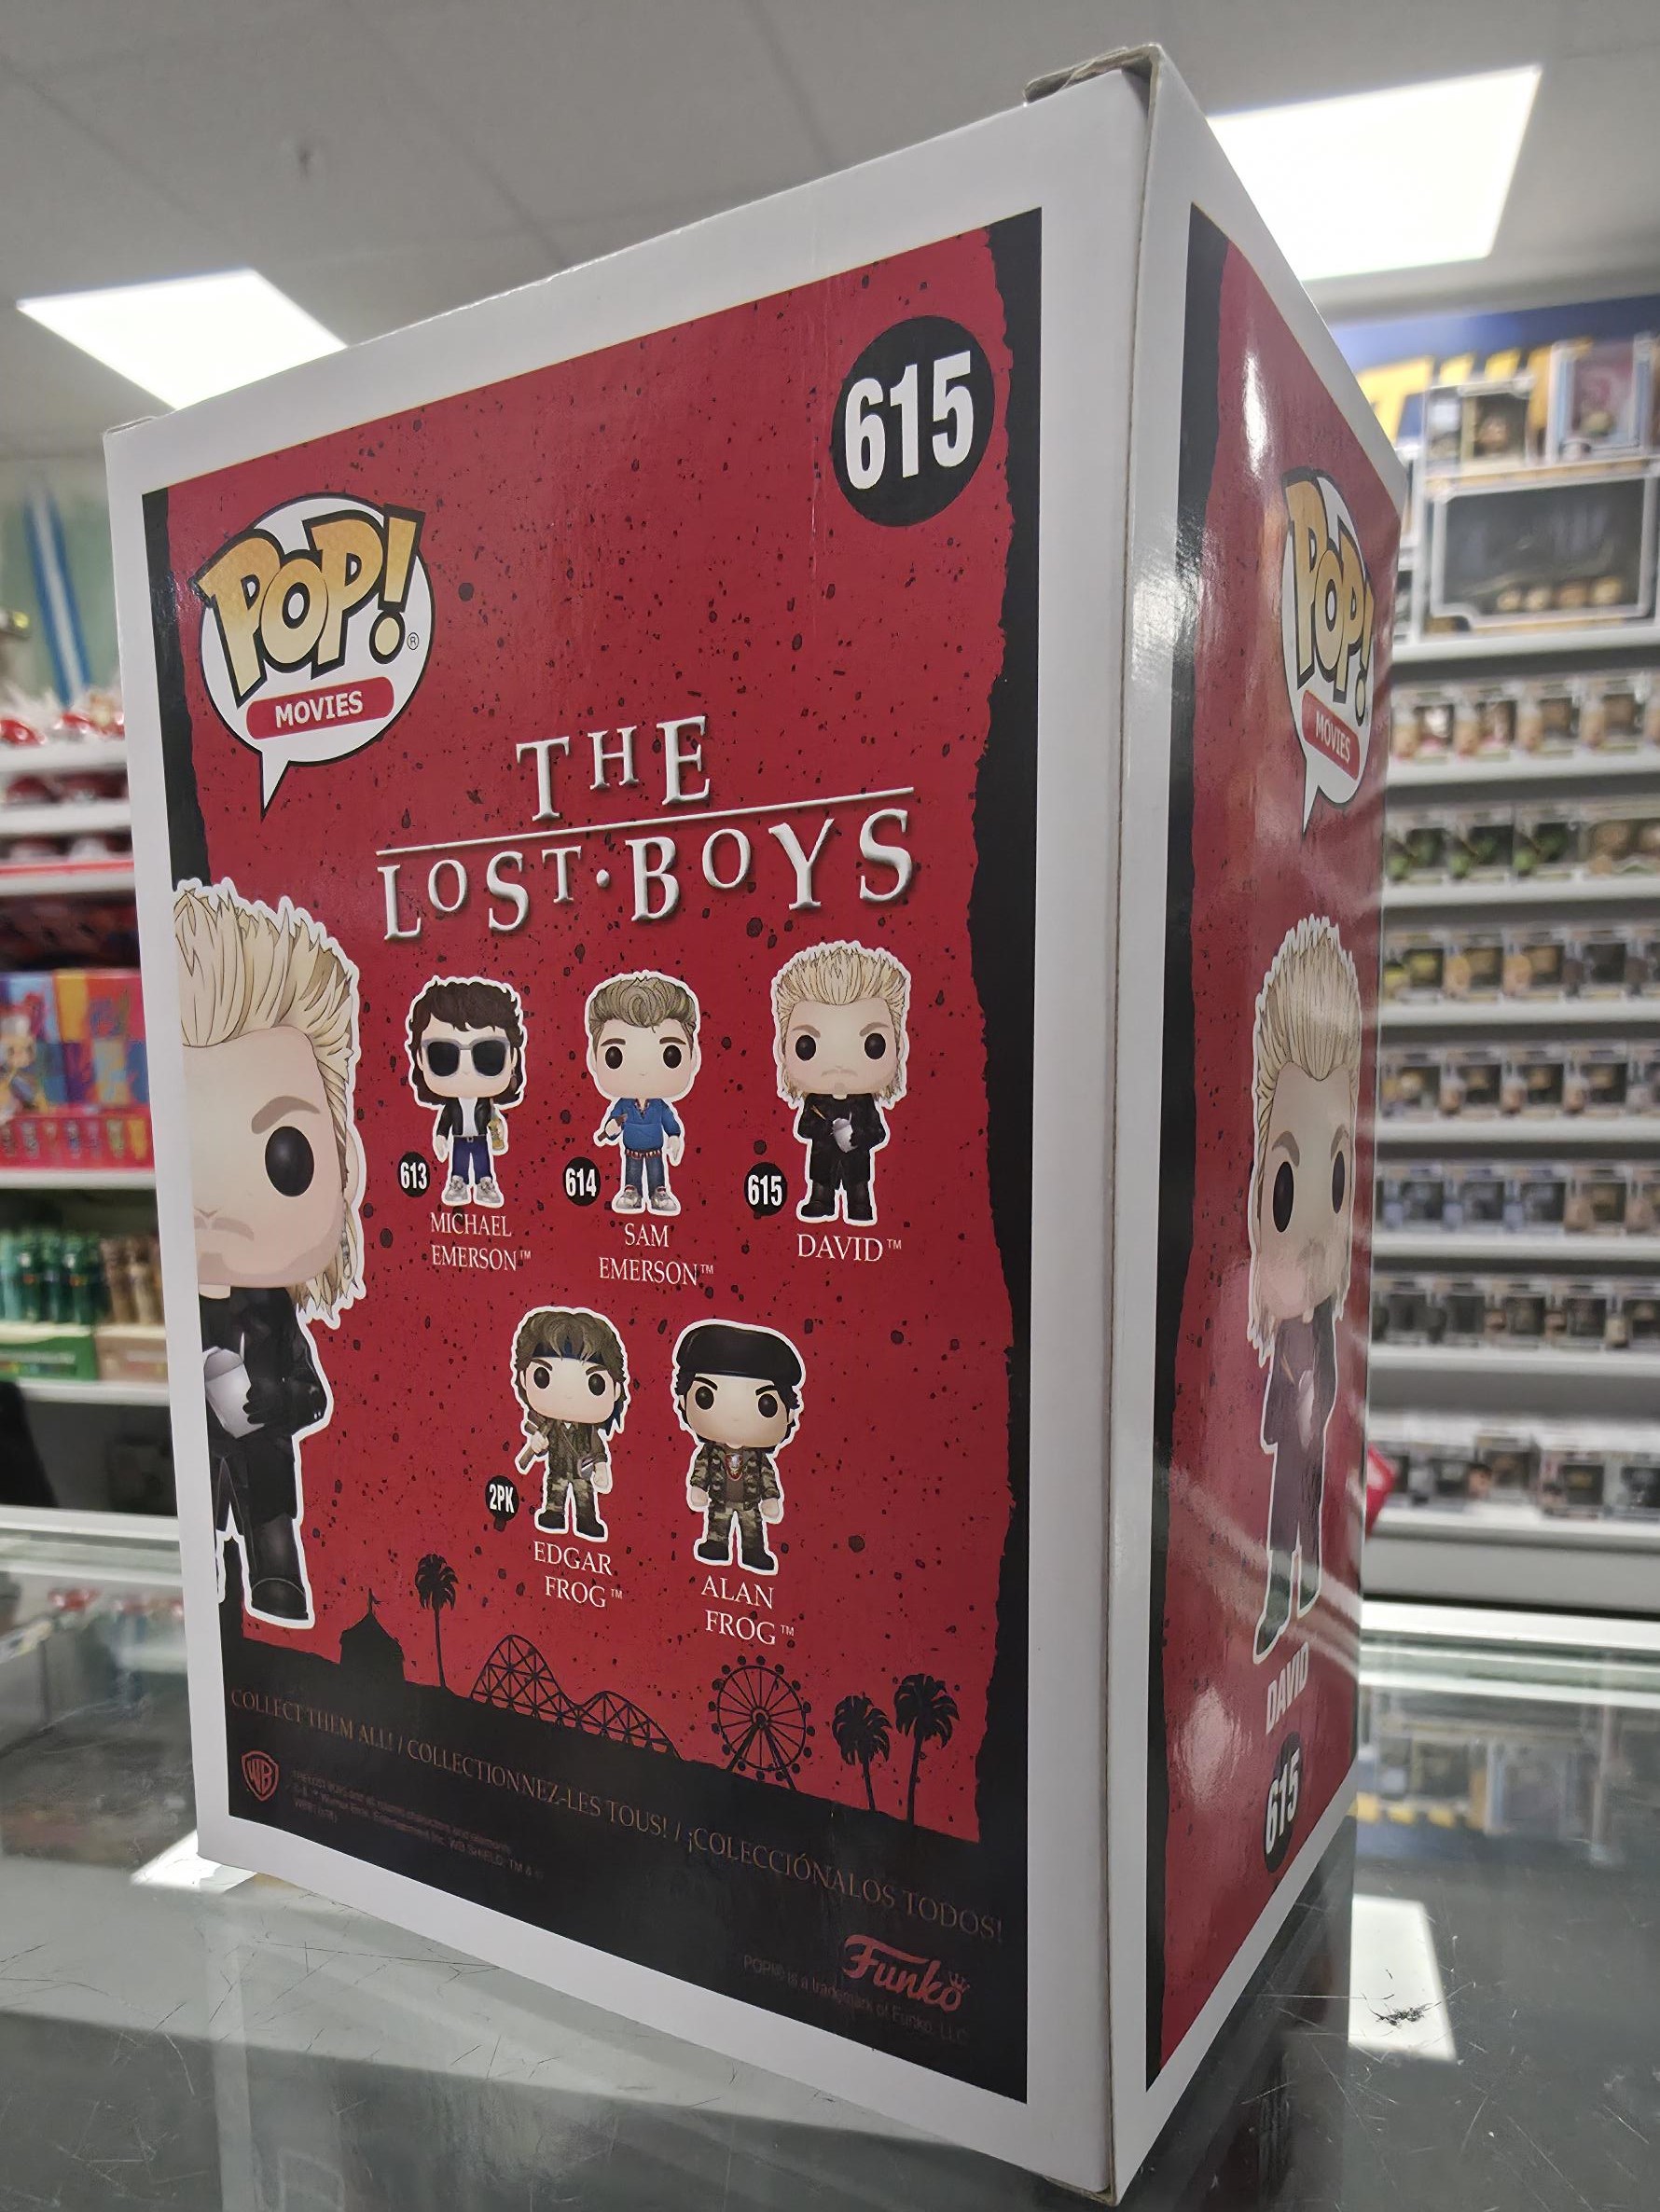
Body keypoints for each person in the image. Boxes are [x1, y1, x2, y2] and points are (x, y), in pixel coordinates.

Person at [175, 881, 365, 1627]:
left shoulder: (273, 1312)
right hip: (194, 1475)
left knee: (275, 1565)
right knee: (198, 1571)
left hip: (266, 1474)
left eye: (287, 1157)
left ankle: (275, 1588)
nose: (213, 1205)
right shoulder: (174, 1310)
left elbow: (312, 1393)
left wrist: (278, 1403)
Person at [1246, 916, 1362, 1664]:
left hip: (1315, 1439)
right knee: (1282, 1520)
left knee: (1311, 1513)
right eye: (1285, 1190)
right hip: (1295, 1438)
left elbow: (1330, 1365)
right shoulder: (1289, 1324)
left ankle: (1309, 1587)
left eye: (1340, 1180)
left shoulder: (1322, 1326)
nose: (1317, 1237)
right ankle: (1275, 1603)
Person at [771, 940, 909, 1224]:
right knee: (821, 1186)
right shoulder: (815, 1100)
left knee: (859, 1191)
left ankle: (860, 1207)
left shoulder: (864, 1102)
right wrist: (826, 1128)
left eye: (874, 1045)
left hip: (857, 1164)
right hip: (823, 1162)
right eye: (806, 1046)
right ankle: (820, 1201)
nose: (839, 1066)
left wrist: (858, 1136)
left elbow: (878, 1132)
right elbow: (804, 1127)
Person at [673, 1320, 803, 1575]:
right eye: (705, 1397)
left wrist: (771, 1497)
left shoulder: (757, 1457)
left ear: (788, 1414)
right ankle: (716, 1545)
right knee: (717, 1525)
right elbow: (702, 1469)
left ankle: (753, 1552)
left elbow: (766, 1475)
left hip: (750, 1502)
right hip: (719, 1499)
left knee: (752, 1528)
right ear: (683, 1400)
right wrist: (698, 1487)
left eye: (766, 1404)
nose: (735, 1417)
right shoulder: (711, 1452)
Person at [406, 975, 526, 1209]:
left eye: (488, 1054)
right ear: (420, 1059)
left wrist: (499, 1129)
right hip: (459, 1138)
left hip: (480, 1138)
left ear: (512, 1057)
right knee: (459, 1165)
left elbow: (493, 1119)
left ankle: (485, 1184)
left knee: (483, 1163)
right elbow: (445, 1122)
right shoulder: (451, 1106)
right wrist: (440, 1137)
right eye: (443, 1056)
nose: (466, 1070)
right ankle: (457, 1184)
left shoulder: (487, 1104)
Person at [586, 971, 700, 1215]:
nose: (642, 1072)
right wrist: (610, 1129)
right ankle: (631, 1192)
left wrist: (675, 1136)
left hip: (656, 1149)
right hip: (632, 1149)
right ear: (594, 1059)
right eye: (614, 1056)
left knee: (657, 1174)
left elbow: (670, 1123)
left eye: (671, 1055)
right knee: (632, 1173)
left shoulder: (659, 1106)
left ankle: (659, 1193)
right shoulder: (624, 1106)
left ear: (693, 1058)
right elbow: (614, 1124)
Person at [510, 1306, 629, 1541]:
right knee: (555, 1492)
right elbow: (539, 1443)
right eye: (542, 1377)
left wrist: (601, 1468)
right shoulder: (549, 1425)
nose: (568, 1395)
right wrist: (536, 1444)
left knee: (584, 1497)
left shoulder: (588, 1428)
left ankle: (587, 1520)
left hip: (582, 1471)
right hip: (557, 1468)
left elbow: (597, 1449)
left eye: (595, 1383)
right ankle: (554, 1514)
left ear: (615, 1390)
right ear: (524, 1378)